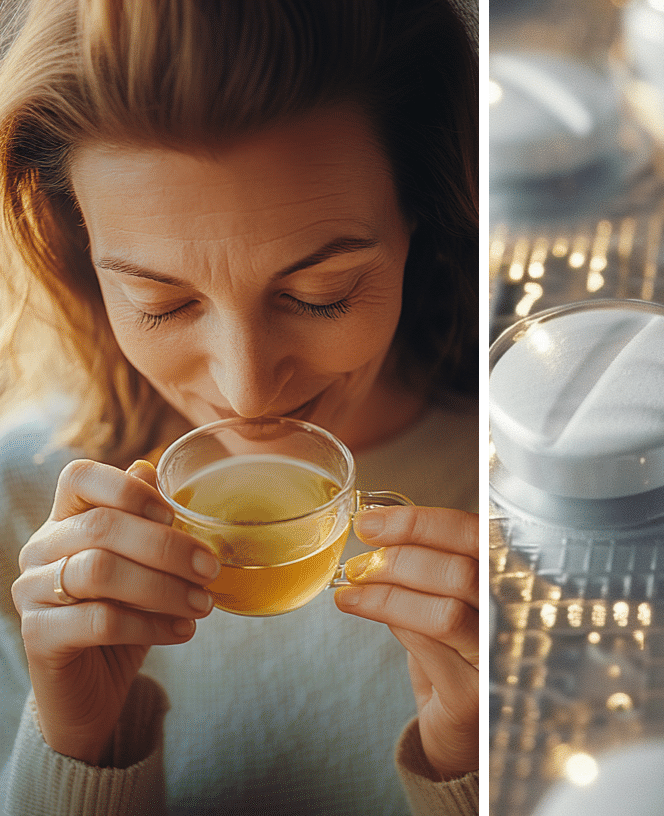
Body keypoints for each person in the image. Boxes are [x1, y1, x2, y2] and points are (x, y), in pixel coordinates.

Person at [0, 1, 479, 813]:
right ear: (77, 246)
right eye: (160, 303)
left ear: (423, 219)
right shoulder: (20, 512)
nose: (247, 393)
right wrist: (79, 747)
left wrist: (477, 767)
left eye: (319, 294)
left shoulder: (530, 490)